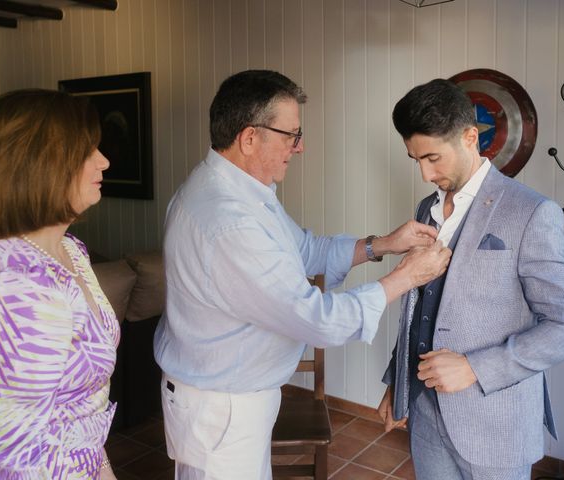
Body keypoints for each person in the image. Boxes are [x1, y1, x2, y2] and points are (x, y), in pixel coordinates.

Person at [153, 69, 452, 479]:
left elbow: (305, 250)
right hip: (223, 409)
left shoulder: (241, 191)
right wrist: (406, 277)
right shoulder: (229, 221)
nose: (300, 147)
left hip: (232, 399)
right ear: (249, 137)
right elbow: (318, 320)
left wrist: (382, 244)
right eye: (292, 135)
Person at [377, 78, 564, 480]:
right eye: (415, 159)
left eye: (433, 158)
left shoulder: (532, 213)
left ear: (470, 137)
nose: (424, 174)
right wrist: (397, 383)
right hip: (425, 415)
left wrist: (476, 368)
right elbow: (419, 309)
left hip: (496, 424)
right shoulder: (427, 209)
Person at [0, 89, 118, 479]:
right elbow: (17, 455)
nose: (104, 161)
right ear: (40, 163)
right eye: (87, 151)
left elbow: (83, 412)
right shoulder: (20, 283)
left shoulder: (70, 250)